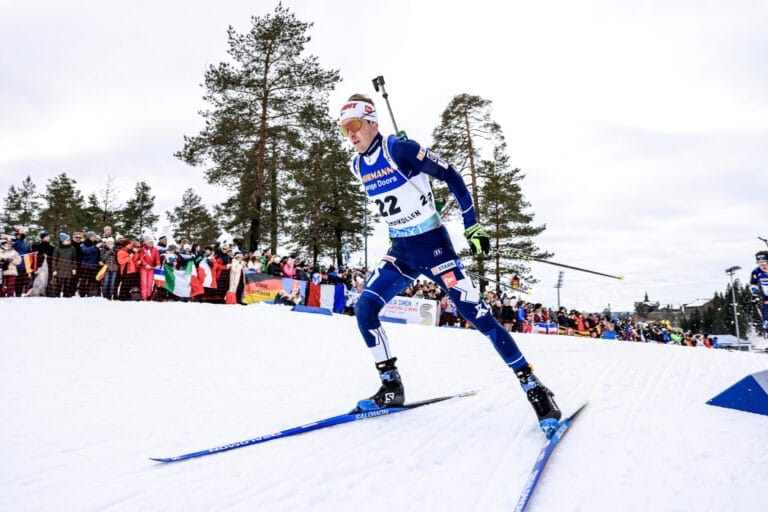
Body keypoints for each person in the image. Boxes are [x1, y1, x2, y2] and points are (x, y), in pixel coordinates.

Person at [339, 94, 561, 436]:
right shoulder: (357, 165)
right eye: (344, 129)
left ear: (372, 122)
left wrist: (472, 223)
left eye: (354, 126)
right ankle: (390, 386)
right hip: (401, 250)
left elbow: (451, 174)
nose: (349, 134)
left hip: (435, 248)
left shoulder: (399, 149)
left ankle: (535, 388)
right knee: (365, 308)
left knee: (479, 316)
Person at [749, 250, 768, 336]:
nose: (762, 266)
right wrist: (755, 295)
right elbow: (753, 284)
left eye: (764, 263)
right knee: (766, 319)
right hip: (767, 297)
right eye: (759, 263)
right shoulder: (756, 272)